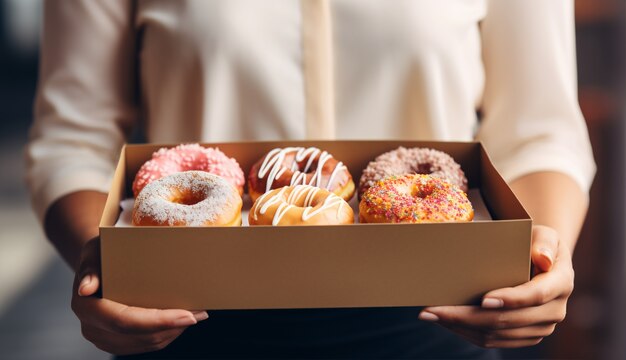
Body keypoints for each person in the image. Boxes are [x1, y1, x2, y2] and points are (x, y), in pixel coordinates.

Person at [26, 0, 595, 358]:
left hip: (441, 312)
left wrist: (544, 251)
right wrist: (104, 262)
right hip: (183, 315)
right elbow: (73, 136)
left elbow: (540, 127)